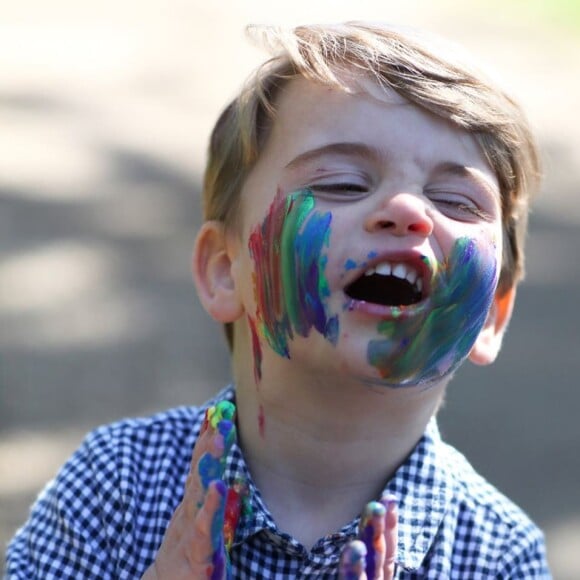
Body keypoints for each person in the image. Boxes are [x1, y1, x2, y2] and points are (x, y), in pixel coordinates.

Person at [6, 22, 551, 578]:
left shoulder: (498, 556)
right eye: (342, 181)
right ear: (225, 271)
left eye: (457, 201)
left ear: (493, 313)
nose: (409, 209)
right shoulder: (115, 487)